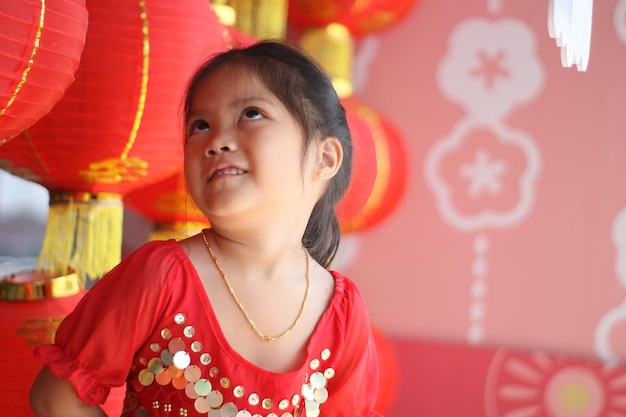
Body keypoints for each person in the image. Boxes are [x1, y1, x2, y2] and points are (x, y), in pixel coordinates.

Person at [29, 40, 381, 417]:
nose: (216, 142)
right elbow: (57, 397)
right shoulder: (160, 276)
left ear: (323, 158)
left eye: (251, 113)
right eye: (200, 125)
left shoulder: (342, 312)